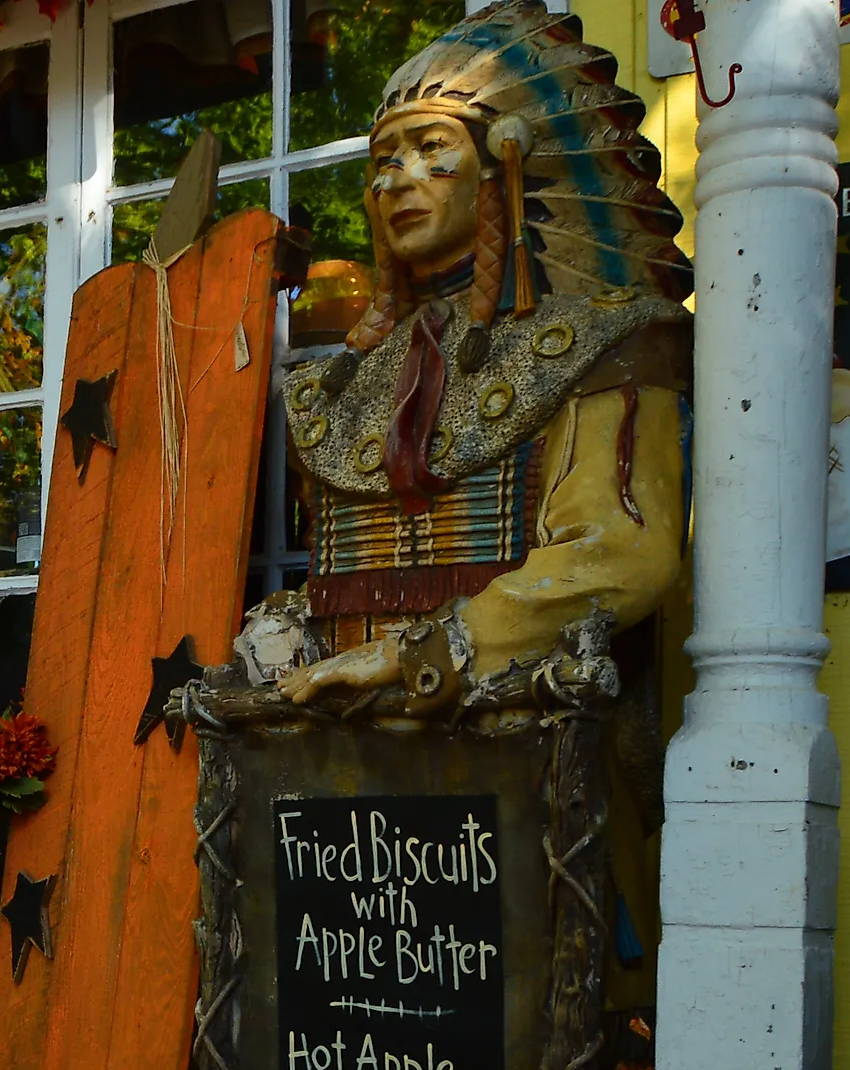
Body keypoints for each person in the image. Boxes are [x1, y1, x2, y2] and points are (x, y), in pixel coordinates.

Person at [273, 0, 689, 709]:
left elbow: (623, 553)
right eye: (384, 161)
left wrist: (423, 652)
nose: (398, 177)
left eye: (432, 146)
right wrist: (279, 641)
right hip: (344, 763)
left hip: (523, 747)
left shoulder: (604, 341)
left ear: (502, 165)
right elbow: (328, 578)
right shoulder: (338, 389)